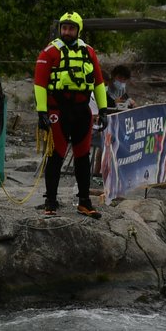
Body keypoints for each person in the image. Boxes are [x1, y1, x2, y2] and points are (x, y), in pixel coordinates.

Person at [33, 12, 108, 218]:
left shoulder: (89, 52)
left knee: (82, 157)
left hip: (82, 111)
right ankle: (51, 201)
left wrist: (102, 109)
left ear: (78, 30)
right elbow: (39, 84)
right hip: (58, 111)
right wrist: (42, 112)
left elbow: (99, 83)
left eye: (71, 28)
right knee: (56, 156)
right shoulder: (49, 52)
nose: (67, 31)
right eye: (64, 28)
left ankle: (84, 201)